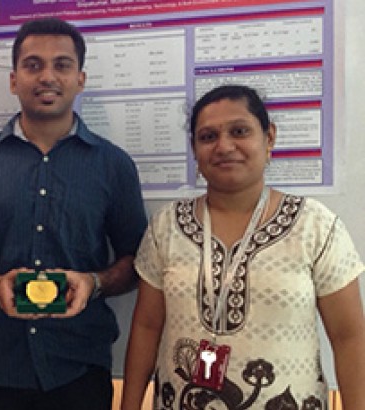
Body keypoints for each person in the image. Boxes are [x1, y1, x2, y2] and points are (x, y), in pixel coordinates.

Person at [0, 17, 148, 410]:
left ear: (81, 79)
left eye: (62, 65)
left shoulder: (114, 166)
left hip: (79, 369)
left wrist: (94, 283)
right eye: (33, 65)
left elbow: (138, 263)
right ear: (14, 79)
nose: (47, 76)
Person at [121, 84, 365, 409]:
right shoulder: (167, 226)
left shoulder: (316, 226)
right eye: (208, 137)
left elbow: (349, 336)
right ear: (195, 150)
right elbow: (147, 326)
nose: (224, 146)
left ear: (269, 138)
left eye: (239, 131)